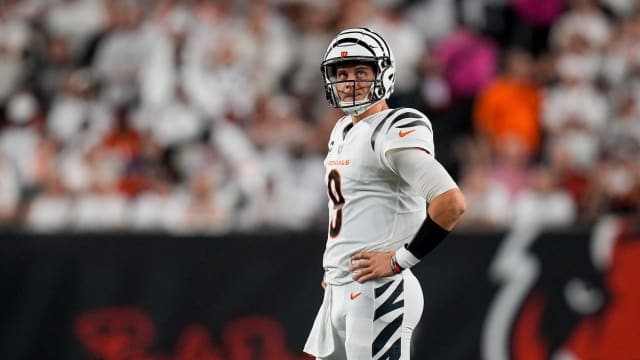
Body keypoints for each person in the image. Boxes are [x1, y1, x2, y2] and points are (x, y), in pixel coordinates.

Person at [304, 28, 466, 359]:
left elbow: (450, 202)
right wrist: (335, 266)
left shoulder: (392, 128)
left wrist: (398, 261)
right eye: (342, 73)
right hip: (340, 289)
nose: (350, 82)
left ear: (383, 73)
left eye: (361, 72)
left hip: (378, 291)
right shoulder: (343, 129)